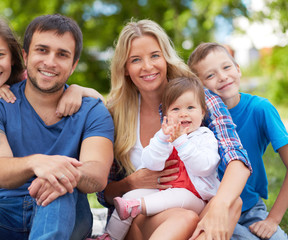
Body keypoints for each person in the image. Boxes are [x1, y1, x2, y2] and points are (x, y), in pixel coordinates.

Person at [0, 13, 114, 240]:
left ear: (74, 64)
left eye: (62, 54)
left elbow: (96, 173)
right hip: (2, 214)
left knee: (57, 187)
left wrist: (60, 174)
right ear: (25, 56)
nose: (50, 62)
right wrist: (38, 162)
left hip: (64, 211)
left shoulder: (91, 110)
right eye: (42, 50)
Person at [96, 19, 251, 240]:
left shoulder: (199, 99)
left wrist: (219, 204)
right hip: (142, 216)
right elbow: (104, 193)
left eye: (155, 55)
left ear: (166, 58)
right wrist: (132, 182)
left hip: (194, 209)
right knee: (184, 217)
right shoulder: (115, 113)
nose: (148, 66)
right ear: (125, 68)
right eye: (136, 60)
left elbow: (236, 156)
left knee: (231, 202)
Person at [93, 76, 220, 240]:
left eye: (190, 108)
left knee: (180, 194)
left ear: (202, 112)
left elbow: (204, 167)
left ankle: (139, 206)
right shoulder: (164, 136)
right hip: (163, 191)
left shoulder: (205, 136)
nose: (183, 114)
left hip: (195, 198)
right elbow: (150, 163)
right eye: (176, 109)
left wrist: (181, 142)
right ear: (166, 114)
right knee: (129, 197)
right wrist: (161, 141)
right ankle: (110, 236)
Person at [188, 42, 288, 240]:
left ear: (238, 69)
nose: (223, 77)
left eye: (226, 67)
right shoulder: (197, 119)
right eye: (210, 75)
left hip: (252, 209)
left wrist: (272, 220)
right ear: (199, 87)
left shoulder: (261, 109)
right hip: (210, 210)